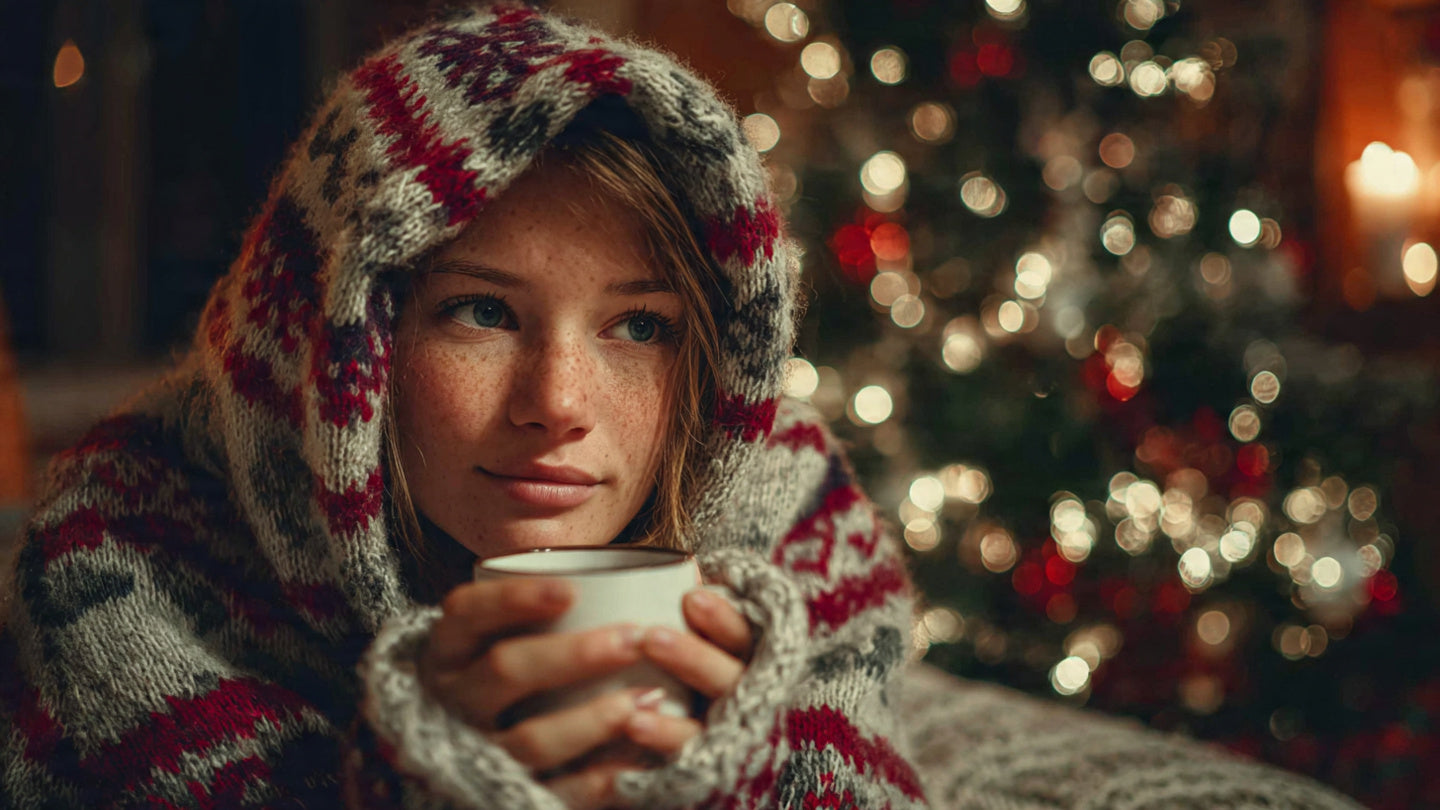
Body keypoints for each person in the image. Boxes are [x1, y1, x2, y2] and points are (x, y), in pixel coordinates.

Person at [0, 4, 1369, 809]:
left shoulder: (793, 516)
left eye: (640, 326)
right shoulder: (116, 560)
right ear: (341, 336)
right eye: (479, 310)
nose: (560, 406)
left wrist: (734, 757)